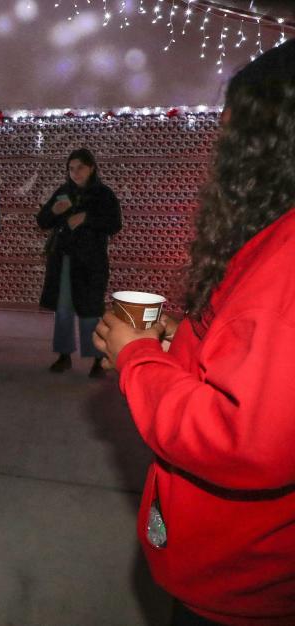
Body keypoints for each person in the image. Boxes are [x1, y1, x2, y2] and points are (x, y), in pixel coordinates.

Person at [94, 39, 295, 626]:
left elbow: (241, 436)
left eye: (231, 132)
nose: (219, 151)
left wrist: (137, 358)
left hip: (243, 593)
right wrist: (180, 339)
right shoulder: (272, 238)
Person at [37, 148, 121, 378]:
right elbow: (43, 221)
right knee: (63, 309)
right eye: (71, 168)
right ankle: (64, 355)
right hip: (63, 259)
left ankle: (97, 358)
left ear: (91, 168)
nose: (75, 173)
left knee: (90, 310)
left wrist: (87, 218)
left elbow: (115, 223)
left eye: (80, 168)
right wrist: (54, 210)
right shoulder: (63, 191)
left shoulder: (103, 194)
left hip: (90, 261)